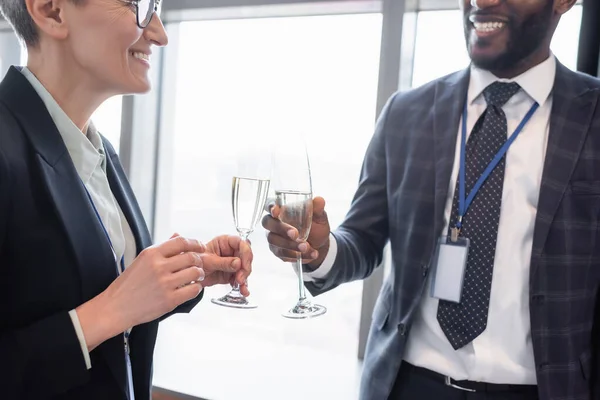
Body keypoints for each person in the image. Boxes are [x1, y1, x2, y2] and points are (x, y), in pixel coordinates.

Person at [263, 0, 600, 399]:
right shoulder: (407, 112)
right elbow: (363, 239)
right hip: (408, 384)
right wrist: (319, 251)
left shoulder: (592, 116)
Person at [0, 0, 253, 399]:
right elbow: (106, 310)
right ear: (51, 11)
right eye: (136, 5)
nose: (159, 33)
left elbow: (79, 290)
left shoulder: (101, 152)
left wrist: (183, 274)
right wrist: (110, 311)